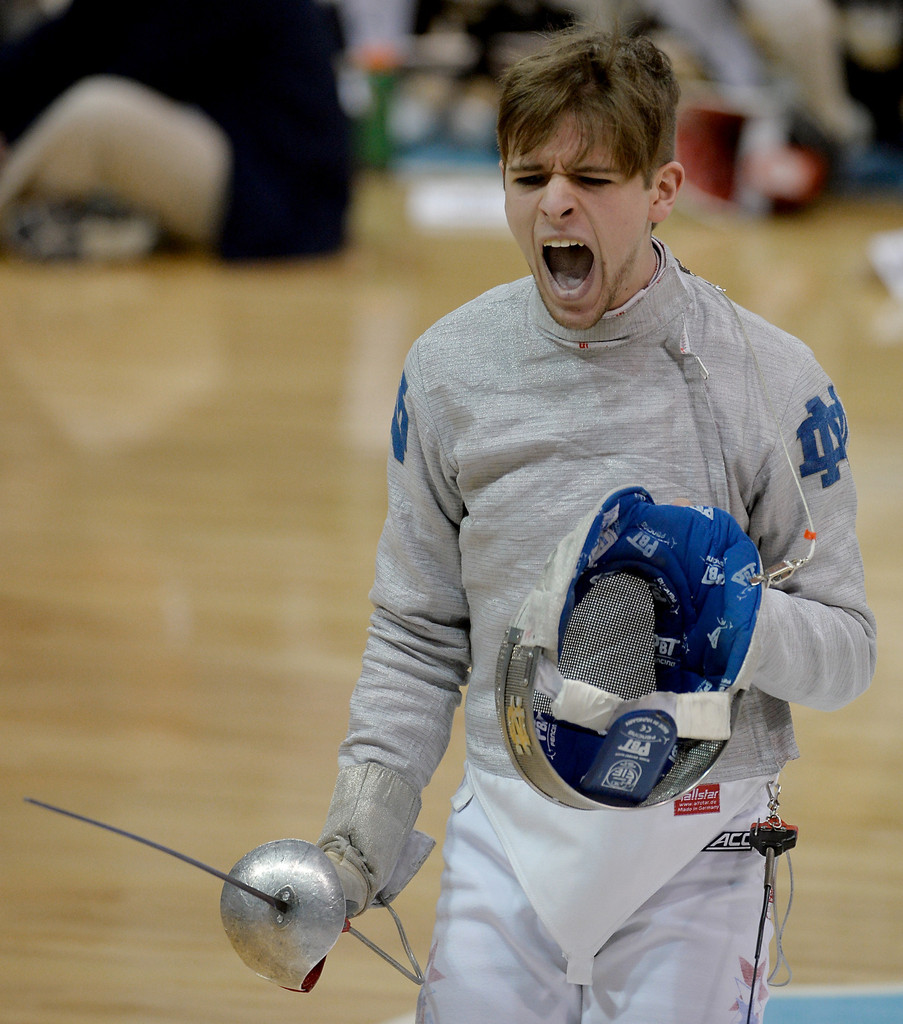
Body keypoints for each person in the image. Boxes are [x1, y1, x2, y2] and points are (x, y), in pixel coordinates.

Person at [316, 26, 876, 1023]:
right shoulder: (451, 370)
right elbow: (416, 629)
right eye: (527, 175)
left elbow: (849, 652)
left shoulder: (770, 381)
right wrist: (357, 843)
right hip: (511, 827)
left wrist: (739, 624)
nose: (555, 202)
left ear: (662, 191)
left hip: (703, 836)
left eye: (591, 176)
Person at [0, 0, 350, 260]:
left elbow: (145, 67)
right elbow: (59, 46)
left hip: (279, 195)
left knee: (100, 112)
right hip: (233, 164)